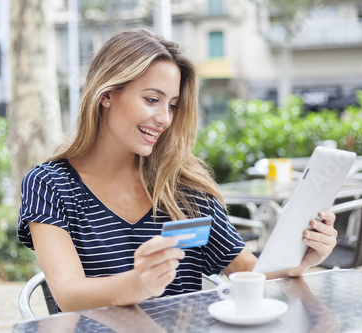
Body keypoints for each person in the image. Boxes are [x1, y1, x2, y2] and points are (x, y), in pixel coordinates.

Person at [17, 27, 337, 313]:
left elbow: (247, 273)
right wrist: (138, 283)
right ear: (107, 95)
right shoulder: (50, 185)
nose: (164, 119)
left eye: (171, 105)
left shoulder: (184, 186)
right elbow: (68, 294)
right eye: (152, 99)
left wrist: (298, 261)